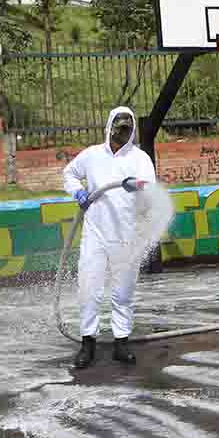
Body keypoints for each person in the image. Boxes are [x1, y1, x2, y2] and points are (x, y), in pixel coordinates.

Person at [63, 106, 155, 369]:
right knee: (89, 289)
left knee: (123, 292)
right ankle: (87, 343)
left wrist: (139, 190)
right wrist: (78, 192)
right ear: (109, 128)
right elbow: (69, 173)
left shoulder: (140, 159)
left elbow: (150, 190)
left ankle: (121, 343)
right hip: (95, 234)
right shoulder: (92, 156)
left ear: (132, 132)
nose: (122, 134)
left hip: (127, 236)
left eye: (127, 130)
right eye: (118, 128)